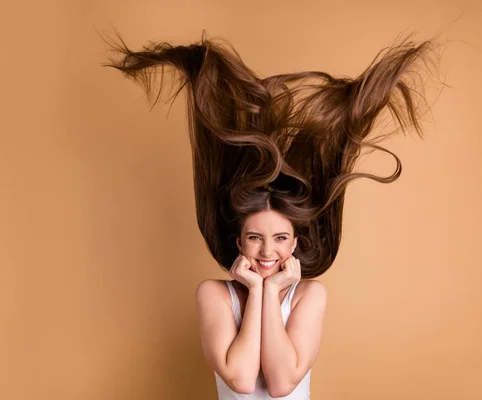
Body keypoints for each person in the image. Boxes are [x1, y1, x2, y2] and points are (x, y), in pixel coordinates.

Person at [104, 30, 434, 399]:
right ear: (238, 241)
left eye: (279, 238)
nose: (266, 252)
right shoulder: (214, 295)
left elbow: (281, 384)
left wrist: (273, 288)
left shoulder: (309, 295)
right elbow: (242, 379)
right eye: (255, 238)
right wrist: (259, 290)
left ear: (295, 242)